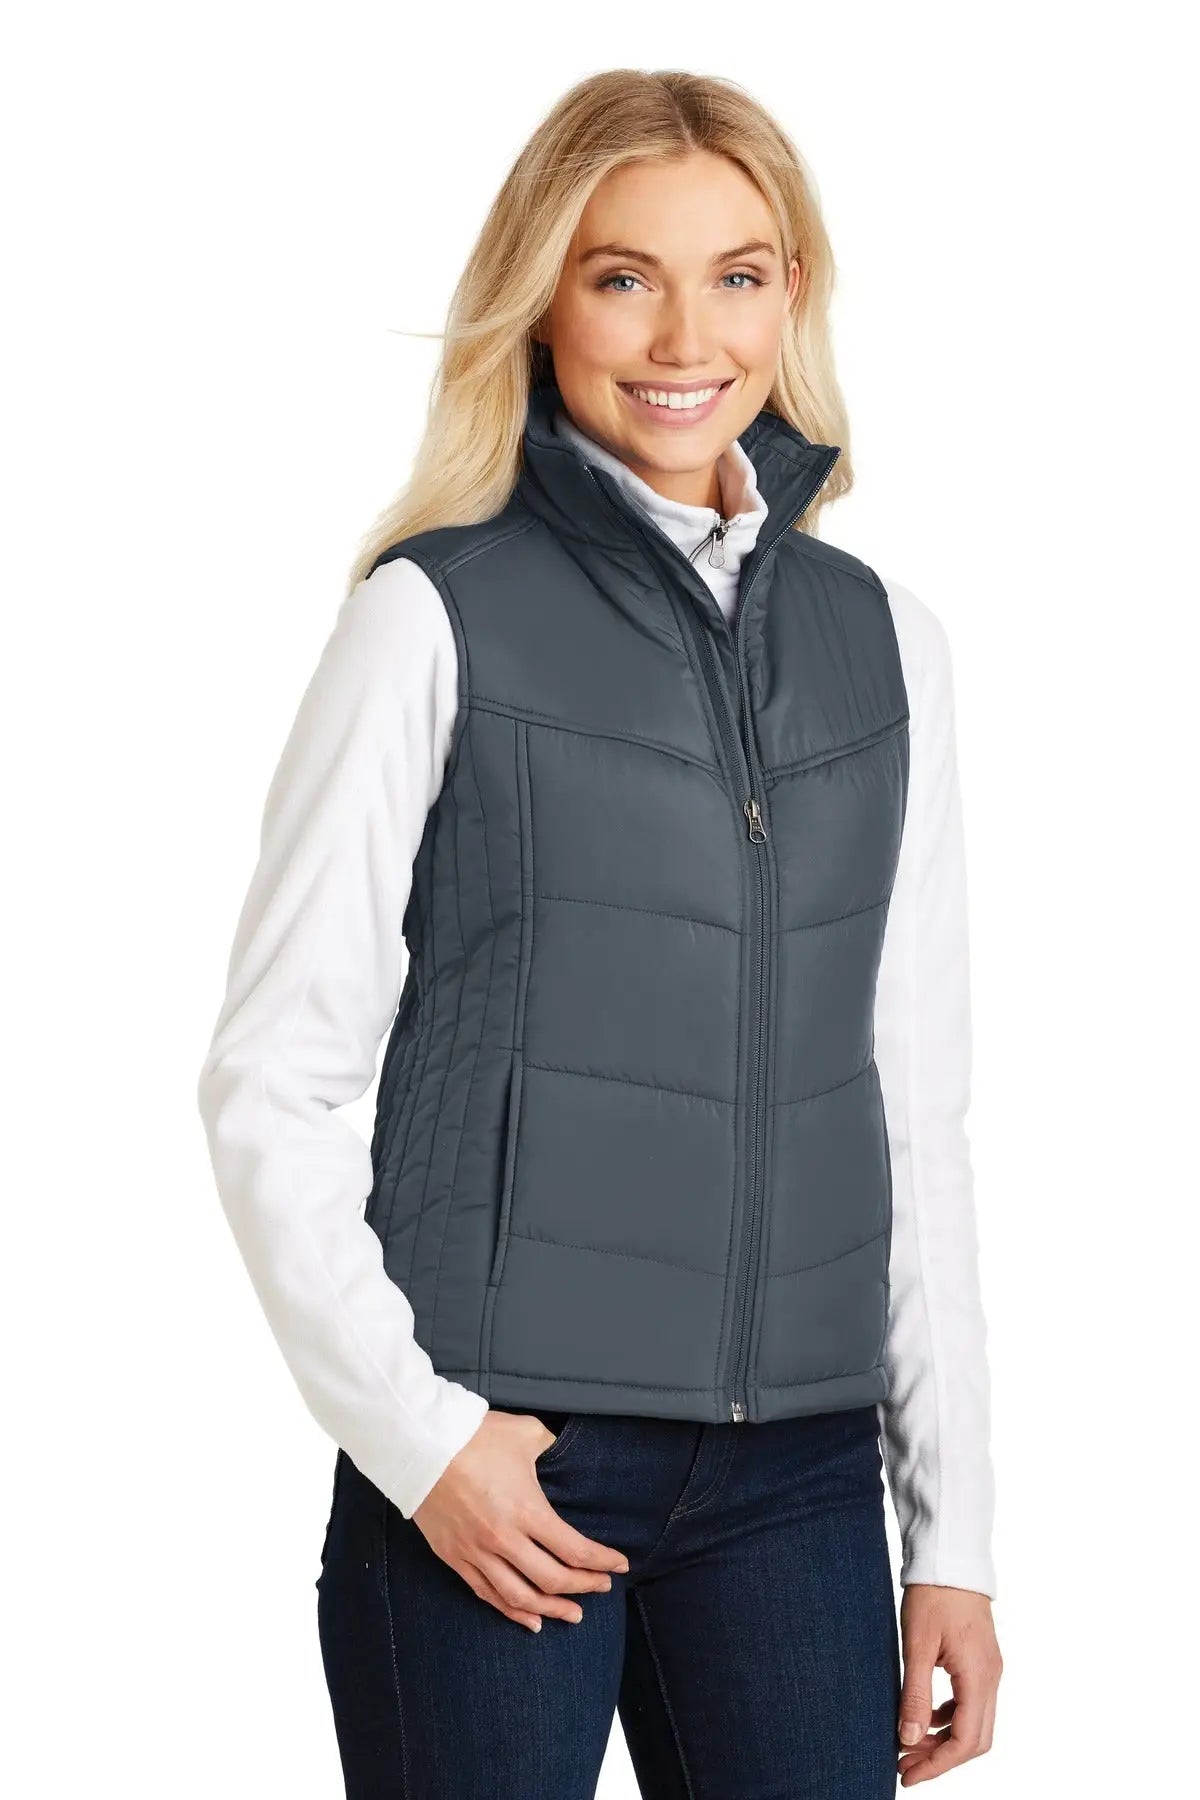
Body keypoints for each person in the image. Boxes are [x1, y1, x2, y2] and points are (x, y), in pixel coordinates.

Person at [197, 68, 1002, 1798]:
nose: (684, 336)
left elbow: (910, 1108)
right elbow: (271, 1080)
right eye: (623, 275)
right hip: (504, 1458)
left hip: (796, 1480)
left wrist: (955, 1538)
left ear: (793, 296)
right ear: (542, 299)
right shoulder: (432, 617)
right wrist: (422, 1444)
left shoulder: (889, 647)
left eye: (738, 274)